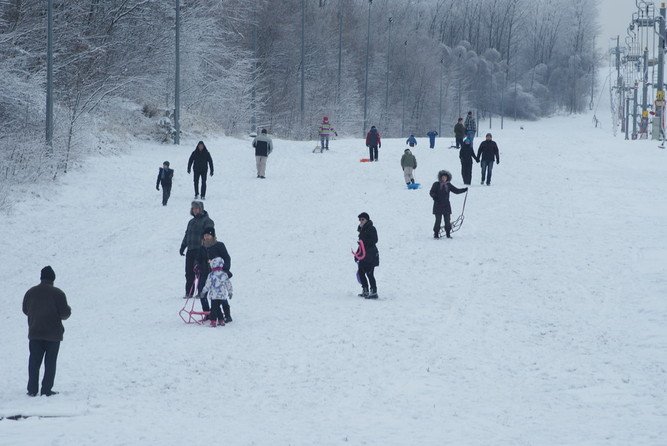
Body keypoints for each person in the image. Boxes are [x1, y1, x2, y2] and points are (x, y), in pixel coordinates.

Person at [22, 266, 71, 397]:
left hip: (35, 332)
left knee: (34, 362)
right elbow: (65, 314)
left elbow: (25, 310)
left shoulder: (30, 292)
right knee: (50, 363)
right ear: (53, 279)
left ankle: (32, 390)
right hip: (53, 335)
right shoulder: (58, 293)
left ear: (41, 277)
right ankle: (46, 390)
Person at [180, 201, 214, 312]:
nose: (195, 210)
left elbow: (209, 235)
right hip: (190, 249)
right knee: (189, 272)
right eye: (193, 208)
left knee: (200, 272)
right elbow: (187, 235)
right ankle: (188, 292)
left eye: (197, 208)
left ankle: (201, 292)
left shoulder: (207, 221)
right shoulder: (191, 222)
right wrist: (183, 246)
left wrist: (207, 247)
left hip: (201, 250)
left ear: (201, 209)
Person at [202, 226, 233, 323]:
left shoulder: (219, 245)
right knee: (208, 295)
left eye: (208, 235)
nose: (206, 237)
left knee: (221, 295)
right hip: (206, 274)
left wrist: (224, 270)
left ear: (212, 236)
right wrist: (197, 266)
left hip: (219, 274)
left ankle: (227, 315)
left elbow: (227, 258)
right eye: (205, 235)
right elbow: (198, 259)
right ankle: (209, 314)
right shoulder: (202, 247)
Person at [429, 170, 468, 239]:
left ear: (447, 178)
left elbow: (456, 191)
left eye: (445, 177)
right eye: (442, 177)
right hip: (437, 205)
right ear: (440, 177)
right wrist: (434, 196)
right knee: (438, 220)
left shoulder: (449, 185)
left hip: (446, 205)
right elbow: (431, 192)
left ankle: (448, 233)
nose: (444, 178)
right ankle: (436, 234)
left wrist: (464, 190)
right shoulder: (436, 184)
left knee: (447, 220)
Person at [201, 257, 233, 327]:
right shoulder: (224, 274)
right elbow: (228, 283)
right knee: (219, 307)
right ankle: (221, 320)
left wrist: (203, 292)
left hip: (214, 296)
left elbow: (207, 285)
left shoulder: (211, 275)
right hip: (222, 295)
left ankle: (213, 321)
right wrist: (230, 292)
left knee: (214, 308)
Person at [354, 212, 379, 299]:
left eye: (363, 219)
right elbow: (361, 244)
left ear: (367, 220)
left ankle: (373, 291)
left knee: (370, 273)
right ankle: (365, 290)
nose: (361, 221)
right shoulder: (361, 230)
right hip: (363, 255)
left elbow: (375, 240)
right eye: (360, 220)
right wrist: (357, 254)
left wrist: (365, 243)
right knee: (361, 272)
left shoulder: (371, 228)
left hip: (371, 255)